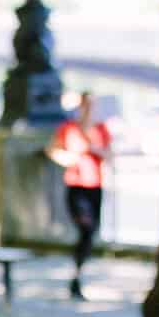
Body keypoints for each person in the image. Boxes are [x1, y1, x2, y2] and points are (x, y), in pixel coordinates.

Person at [47, 91, 110, 299]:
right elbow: (52, 150)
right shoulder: (69, 129)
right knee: (85, 226)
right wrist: (68, 158)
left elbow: (109, 154)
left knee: (89, 235)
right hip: (76, 186)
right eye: (86, 105)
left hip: (95, 186)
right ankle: (76, 276)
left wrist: (93, 148)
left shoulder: (101, 130)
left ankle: (76, 276)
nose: (89, 109)